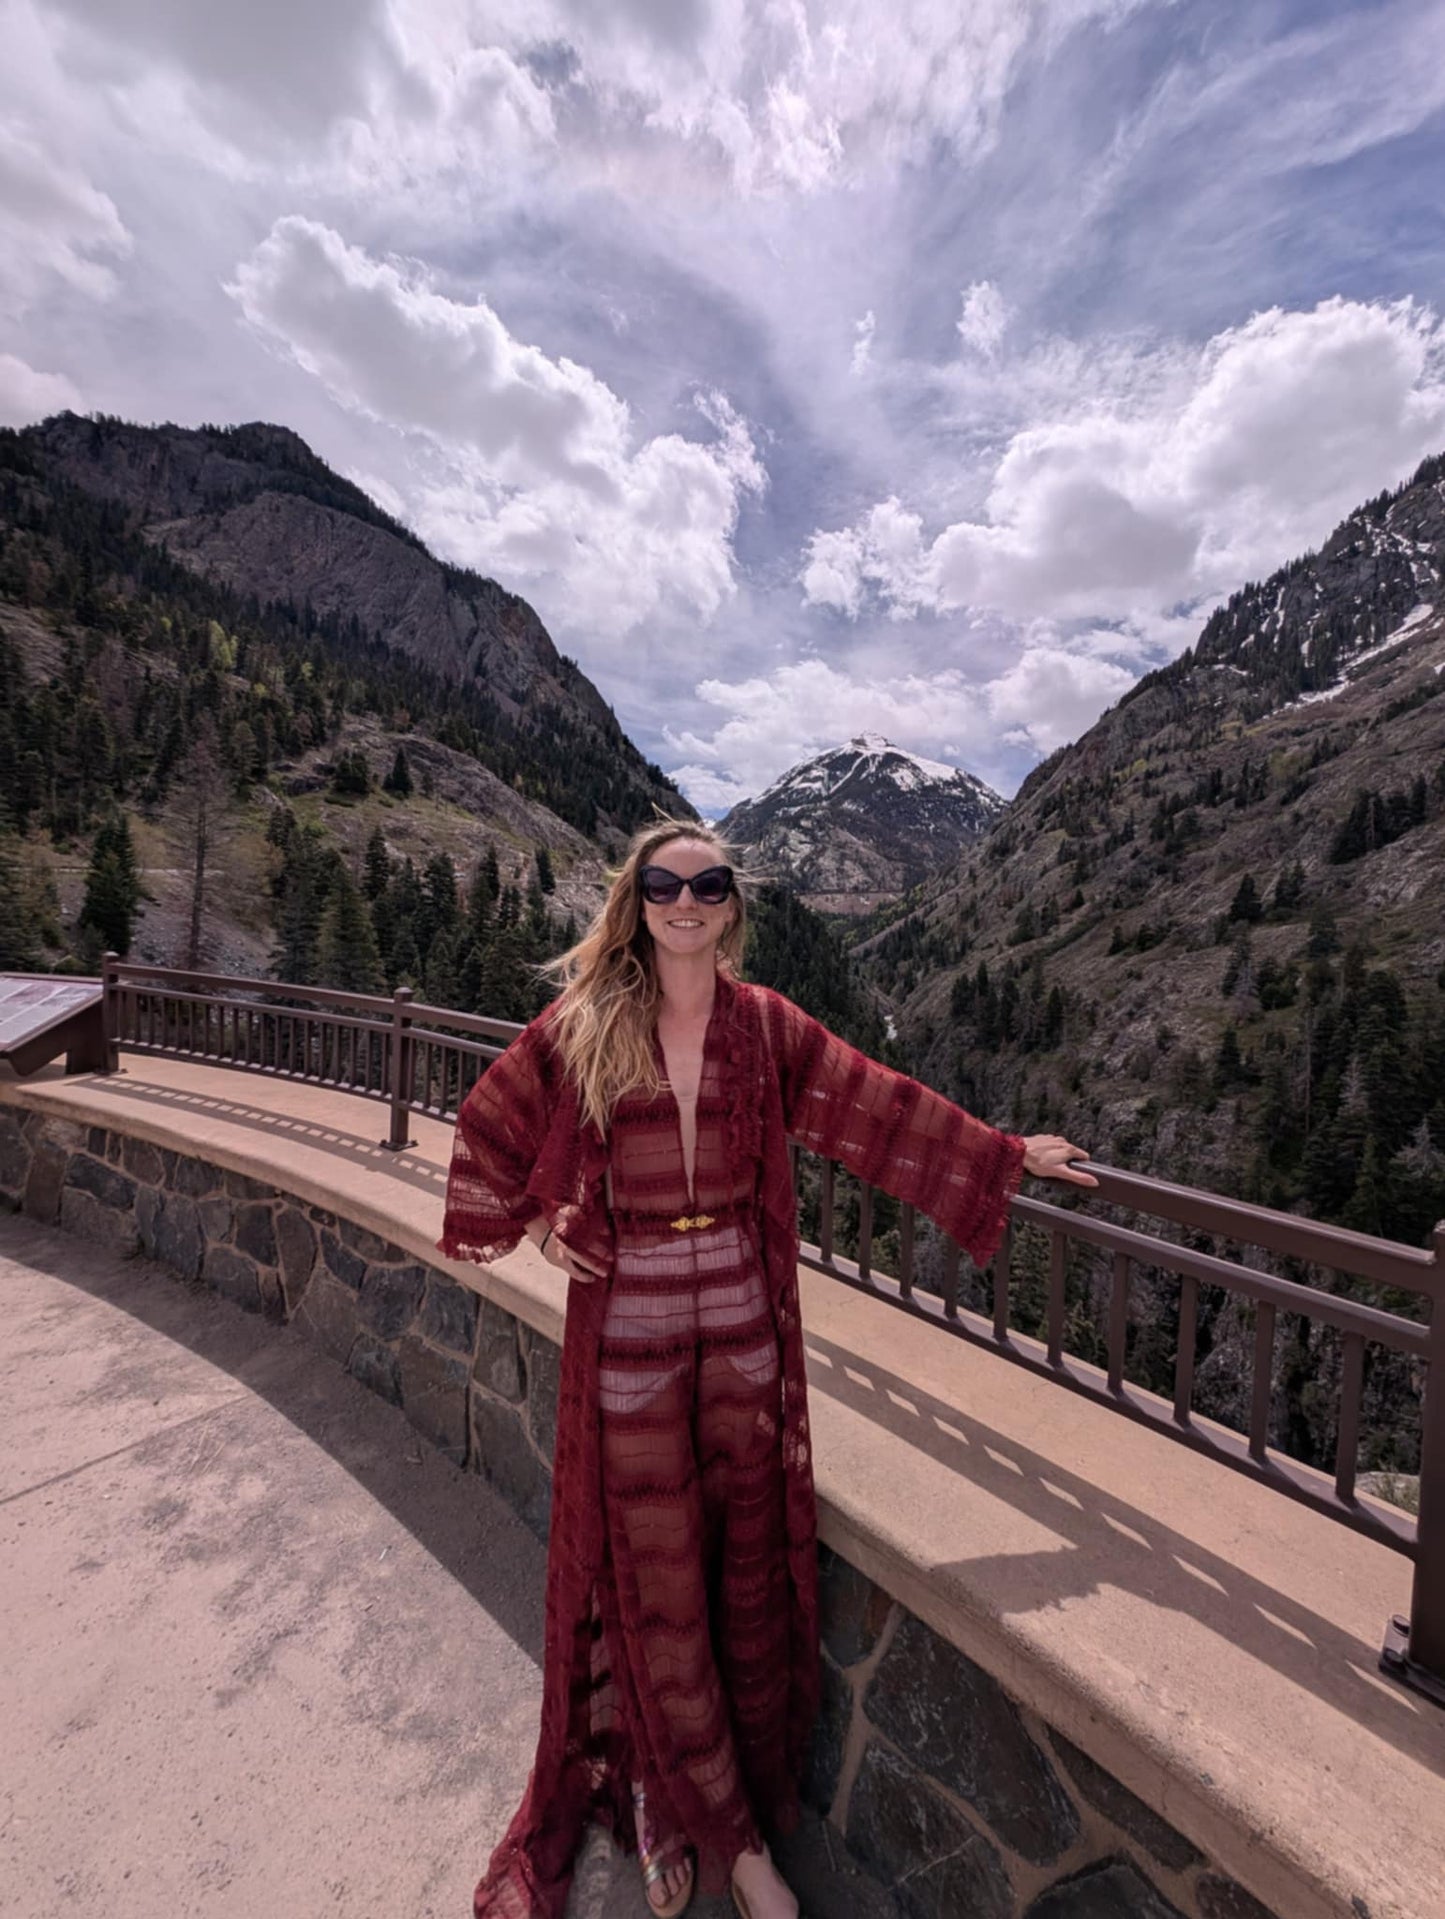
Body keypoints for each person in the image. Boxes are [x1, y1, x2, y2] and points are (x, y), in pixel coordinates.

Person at [438, 817, 1097, 1919]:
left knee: (732, 1582)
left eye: (708, 883)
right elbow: (487, 1128)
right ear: (635, 899)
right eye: (663, 883)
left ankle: (686, 1790)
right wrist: (551, 1234)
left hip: (744, 1346)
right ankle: (724, 1837)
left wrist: (1001, 1155)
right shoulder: (586, 1022)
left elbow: (873, 1107)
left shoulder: (764, 1029)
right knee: (653, 1596)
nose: (684, 902)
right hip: (633, 1349)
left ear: (732, 903)